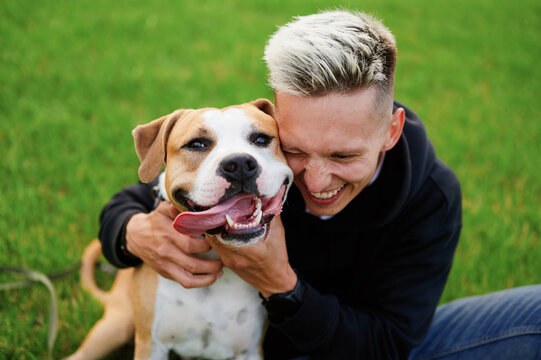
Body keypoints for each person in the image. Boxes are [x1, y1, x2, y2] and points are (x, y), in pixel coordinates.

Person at [98, 10, 541, 360]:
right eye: (295, 148)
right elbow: (137, 197)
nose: (316, 178)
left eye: (343, 156)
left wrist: (280, 285)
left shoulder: (431, 199)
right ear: (277, 115)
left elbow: (386, 346)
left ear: (391, 130)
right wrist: (131, 233)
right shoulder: (252, 158)